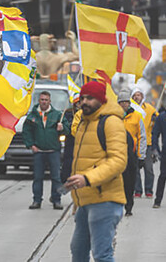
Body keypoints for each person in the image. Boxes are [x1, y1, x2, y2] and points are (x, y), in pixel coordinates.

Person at [65, 81, 127, 262]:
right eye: (82, 98)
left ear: (101, 100)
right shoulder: (84, 122)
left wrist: (87, 178)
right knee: (78, 251)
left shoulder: (111, 122)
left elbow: (118, 161)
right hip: (85, 199)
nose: (84, 102)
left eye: (90, 98)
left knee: (102, 255)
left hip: (105, 199)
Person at [23, 91, 70, 210]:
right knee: (38, 177)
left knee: (56, 177)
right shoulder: (32, 116)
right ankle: (36, 200)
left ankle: (56, 200)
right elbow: (26, 131)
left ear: (50, 101)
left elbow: (68, 130)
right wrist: (31, 145)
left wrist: (62, 128)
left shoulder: (57, 115)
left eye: (46, 100)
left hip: (53, 151)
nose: (44, 102)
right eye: (42, 99)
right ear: (39, 101)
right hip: (39, 152)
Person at [117, 89, 147, 216]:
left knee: (130, 182)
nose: (124, 105)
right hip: (117, 154)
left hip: (131, 155)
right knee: (118, 182)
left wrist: (141, 155)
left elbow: (142, 137)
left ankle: (129, 206)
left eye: (126, 102)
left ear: (129, 103)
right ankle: (118, 205)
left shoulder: (136, 117)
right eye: (121, 102)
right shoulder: (114, 117)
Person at [131, 87, 158, 198]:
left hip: (147, 143)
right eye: (135, 95)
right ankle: (137, 190)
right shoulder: (131, 108)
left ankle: (149, 190)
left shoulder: (149, 108)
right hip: (134, 143)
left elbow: (158, 118)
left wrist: (155, 119)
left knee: (149, 169)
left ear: (142, 96)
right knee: (135, 169)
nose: (137, 97)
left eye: (139, 95)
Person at [61, 93, 81, 183]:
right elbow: (65, 125)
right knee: (68, 159)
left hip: (81, 141)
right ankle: (66, 178)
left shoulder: (87, 112)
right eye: (78, 102)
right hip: (70, 140)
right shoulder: (68, 113)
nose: (79, 104)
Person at [152, 110, 166, 208]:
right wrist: (155, 148)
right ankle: (158, 200)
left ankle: (157, 201)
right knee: (163, 175)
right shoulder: (161, 117)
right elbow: (155, 134)